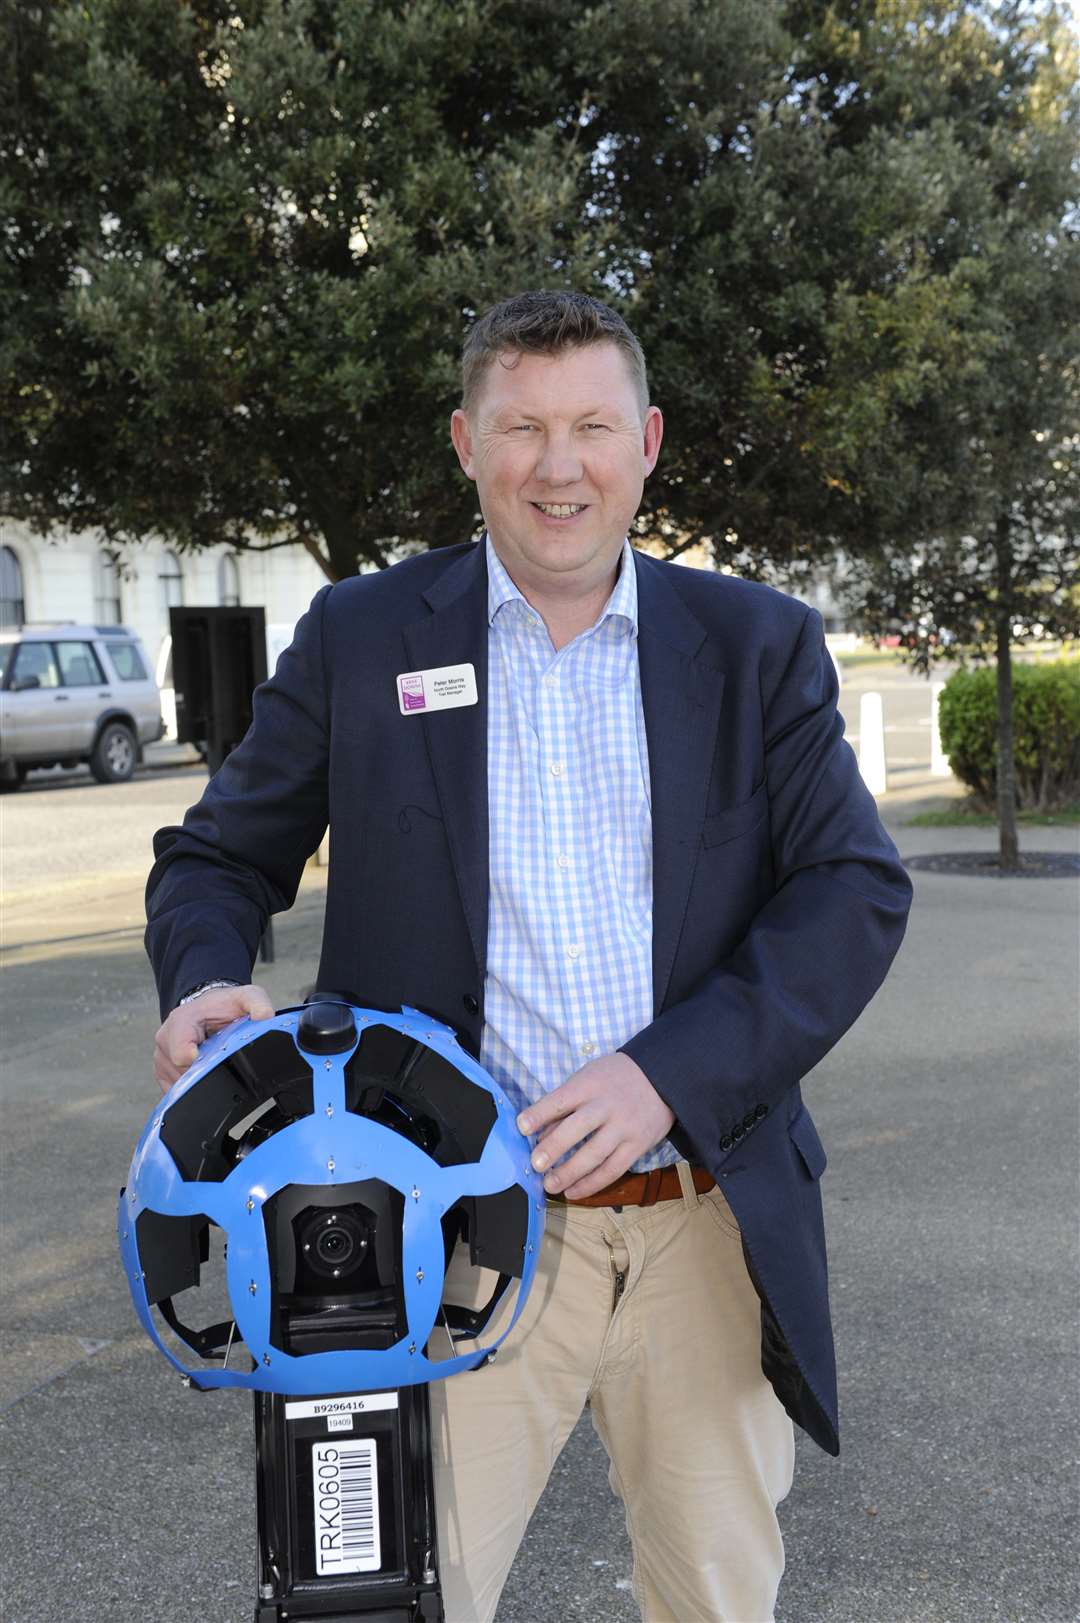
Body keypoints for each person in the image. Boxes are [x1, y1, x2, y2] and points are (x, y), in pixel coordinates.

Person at [147, 289, 912, 1622]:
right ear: (465, 441)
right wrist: (206, 968)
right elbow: (215, 857)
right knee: (386, 1601)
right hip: (434, 1229)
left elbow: (852, 886)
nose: (559, 466)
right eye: (523, 429)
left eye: (592, 427)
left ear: (649, 441)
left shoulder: (755, 647)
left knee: (719, 1598)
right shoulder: (364, 638)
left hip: (701, 1227)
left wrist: (666, 1075)